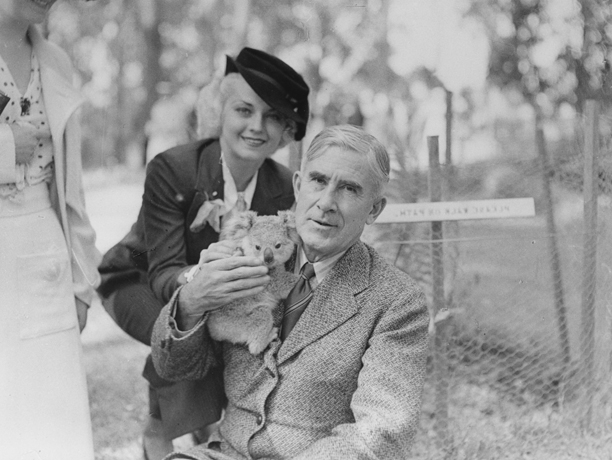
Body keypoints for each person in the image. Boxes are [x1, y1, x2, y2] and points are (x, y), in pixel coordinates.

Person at [151, 124, 430, 460]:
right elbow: (172, 367)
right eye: (318, 181)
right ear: (298, 185)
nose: (326, 202)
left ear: (373, 209)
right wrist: (192, 301)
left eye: (350, 189)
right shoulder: (246, 254)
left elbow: (382, 432)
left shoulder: (396, 300)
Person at [97, 47, 310, 459]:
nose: (256, 127)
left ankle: (214, 429)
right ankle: (158, 433)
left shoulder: (285, 185)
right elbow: (163, 274)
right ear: (220, 113)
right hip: (137, 280)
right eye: (244, 111)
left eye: (272, 117)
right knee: (189, 320)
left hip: (226, 289)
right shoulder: (173, 168)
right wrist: (204, 280)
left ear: (285, 130)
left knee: (243, 323)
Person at [0, 1, 101, 459]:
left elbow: (71, 183)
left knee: (50, 413)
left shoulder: (55, 60)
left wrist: (83, 280)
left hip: (42, 244)